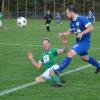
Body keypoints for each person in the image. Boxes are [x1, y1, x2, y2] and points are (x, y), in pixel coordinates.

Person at [54, 5, 100, 75]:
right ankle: (98, 65)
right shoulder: (72, 22)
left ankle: (59, 70)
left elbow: (91, 28)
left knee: (70, 53)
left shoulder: (82, 19)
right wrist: (62, 33)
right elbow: (70, 31)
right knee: (84, 58)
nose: (66, 15)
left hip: (85, 42)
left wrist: (82, 33)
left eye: (67, 13)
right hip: (79, 42)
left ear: (71, 12)